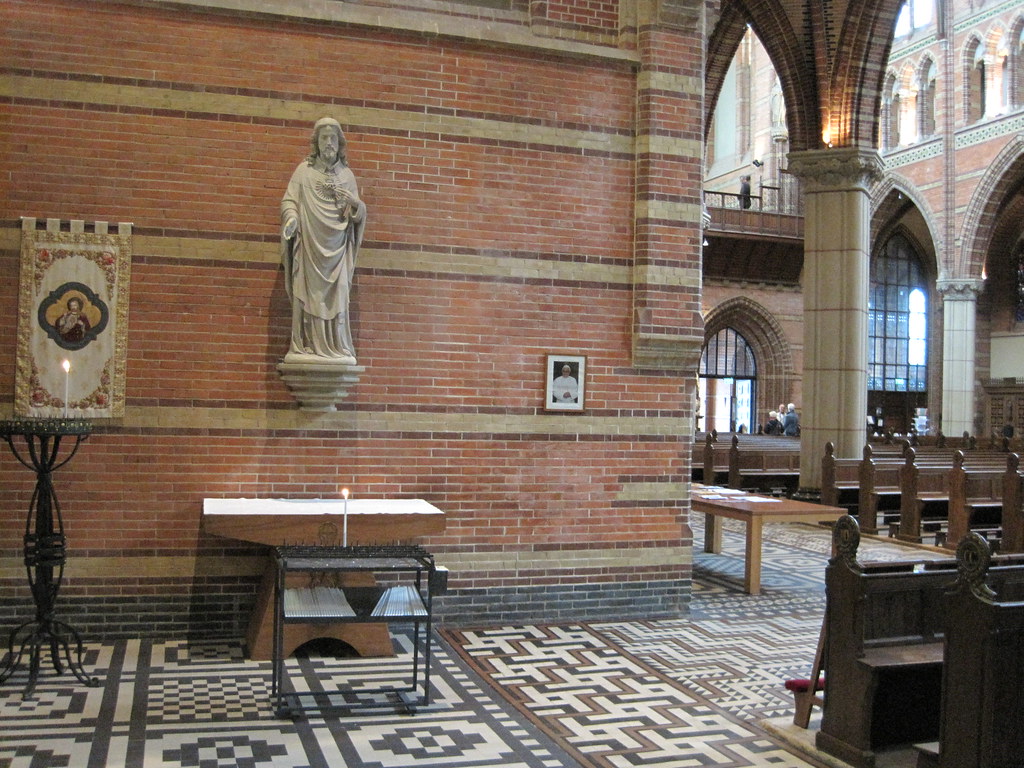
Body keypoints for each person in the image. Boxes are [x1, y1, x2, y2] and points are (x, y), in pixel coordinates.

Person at [280, 117, 366, 363]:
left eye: (333, 138)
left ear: (340, 143)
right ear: (316, 143)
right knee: (307, 293)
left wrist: (355, 206)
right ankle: (306, 344)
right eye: (323, 138)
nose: (328, 143)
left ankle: (337, 345)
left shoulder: (347, 176)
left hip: (337, 250)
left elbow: (357, 213)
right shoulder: (303, 172)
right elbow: (289, 201)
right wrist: (292, 218)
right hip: (309, 247)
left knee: (338, 294)